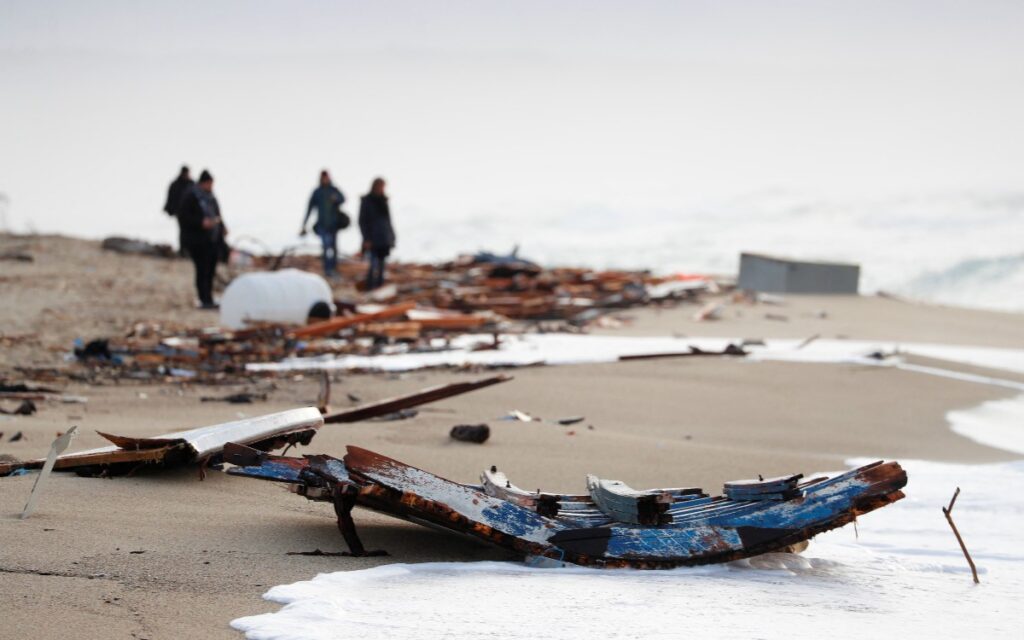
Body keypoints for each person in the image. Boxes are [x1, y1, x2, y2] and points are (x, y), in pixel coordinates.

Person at [177, 170, 226, 309]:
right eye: (210, 184)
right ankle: (203, 298)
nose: (211, 186)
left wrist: (222, 227)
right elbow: (183, 217)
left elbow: (217, 214)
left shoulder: (211, 197)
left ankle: (209, 297)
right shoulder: (191, 196)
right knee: (202, 270)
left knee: (211, 270)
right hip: (197, 240)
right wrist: (200, 222)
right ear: (203, 183)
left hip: (212, 239)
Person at [300, 170, 346, 279]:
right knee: (325, 246)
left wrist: (336, 198)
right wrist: (304, 224)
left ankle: (333, 269)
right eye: (323, 177)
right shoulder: (317, 192)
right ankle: (327, 270)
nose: (325, 179)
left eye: (326, 177)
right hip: (322, 225)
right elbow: (309, 208)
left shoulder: (334, 190)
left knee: (334, 248)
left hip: (333, 225)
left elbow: (343, 199)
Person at [358, 177, 396, 290]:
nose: (382, 189)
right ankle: (370, 287)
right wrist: (366, 238)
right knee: (373, 265)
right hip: (372, 239)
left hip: (384, 239)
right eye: (381, 186)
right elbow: (362, 221)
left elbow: (388, 221)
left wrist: (391, 237)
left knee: (382, 266)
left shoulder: (384, 201)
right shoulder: (367, 201)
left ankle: (379, 287)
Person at [163, 165, 193, 256]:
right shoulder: (176, 184)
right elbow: (170, 198)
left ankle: (187, 250)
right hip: (180, 213)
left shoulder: (191, 184)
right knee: (183, 231)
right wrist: (170, 209)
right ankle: (183, 250)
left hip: (189, 212)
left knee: (189, 231)